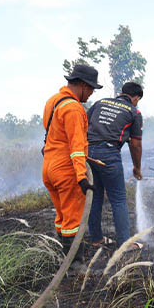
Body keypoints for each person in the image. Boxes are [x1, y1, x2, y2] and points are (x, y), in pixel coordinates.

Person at [42, 64, 101, 263]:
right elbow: (76, 146)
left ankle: (63, 257)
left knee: (62, 217)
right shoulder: (74, 108)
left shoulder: (54, 101)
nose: (91, 93)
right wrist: (82, 177)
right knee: (73, 221)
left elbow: (53, 133)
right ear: (83, 85)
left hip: (49, 167)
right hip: (66, 169)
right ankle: (74, 267)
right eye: (91, 88)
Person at [86, 81, 144, 248]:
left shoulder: (100, 103)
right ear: (136, 98)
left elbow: (84, 125)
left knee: (95, 196)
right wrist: (137, 168)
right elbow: (135, 144)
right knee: (118, 199)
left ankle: (97, 239)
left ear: (121, 93)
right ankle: (124, 244)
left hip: (87, 153)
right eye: (138, 100)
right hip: (109, 154)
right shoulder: (134, 112)